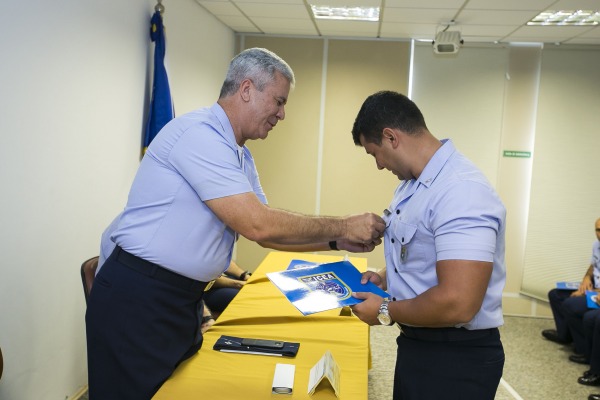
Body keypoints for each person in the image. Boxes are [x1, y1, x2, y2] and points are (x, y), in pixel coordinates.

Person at [85, 47, 385, 400]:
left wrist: (337, 243)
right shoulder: (200, 136)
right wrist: (343, 226)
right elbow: (260, 225)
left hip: (178, 299)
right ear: (246, 90)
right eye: (278, 101)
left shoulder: (237, 153)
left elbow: (266, 235)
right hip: (139, 298)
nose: (282, 114)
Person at [348, 91, 506, 400]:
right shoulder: (413, 185)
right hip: (420, 345)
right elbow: (422, 254)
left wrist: (383, 309)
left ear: (391, 137)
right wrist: (385, 276)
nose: (379, 165)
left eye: (374, 153)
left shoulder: (461, 191)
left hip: (455, 359)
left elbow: (458, 302)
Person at [541, 218, 600, 361]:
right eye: (598, 230)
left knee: (570, 305)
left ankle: (585, 350)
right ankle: (564, 336)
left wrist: (588, 293)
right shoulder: (596, 245)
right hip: (594, 286)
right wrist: (586, 279)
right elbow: (593, 266)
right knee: (555, 295)